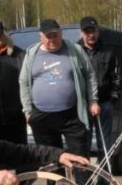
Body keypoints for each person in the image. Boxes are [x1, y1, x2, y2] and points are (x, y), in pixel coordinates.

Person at [19, 18, 99, 159]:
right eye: (48, 36)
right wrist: (27, 111)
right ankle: (56, 175)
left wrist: (93, 100)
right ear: (41, 37)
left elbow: (90, 75)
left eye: (55, 35)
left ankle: (80, 175)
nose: (52, 40)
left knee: (79, 159)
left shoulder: (75, 50)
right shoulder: (32, 53)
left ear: (61, 33)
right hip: (42, 115)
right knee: (51, 160)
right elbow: (24, 82)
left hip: (72, 114)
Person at [78, 16, 121, 175]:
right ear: (81, 33)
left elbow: (117, 78)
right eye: (87, 31)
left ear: (98, 31)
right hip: (82, 106)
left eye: (93, 31)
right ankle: (85, 182)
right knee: (84, 145)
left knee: (104, 145)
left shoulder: (108, 51)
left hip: (104, 104)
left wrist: (112, 100)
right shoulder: (75, 51)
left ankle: (104, 182)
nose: (91, 35)